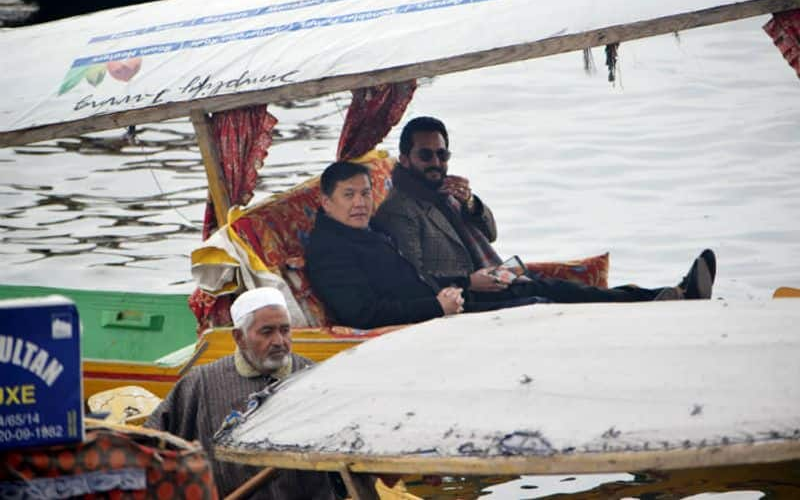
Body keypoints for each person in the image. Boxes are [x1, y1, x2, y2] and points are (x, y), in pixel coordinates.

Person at [372, 115, 716, 305]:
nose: (436, 163)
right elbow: (414, 277)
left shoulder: (446, 191)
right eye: (426, 155)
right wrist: (470, 282)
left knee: (574, 291)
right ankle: (670, 299)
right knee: (566, 294)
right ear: (405, 159)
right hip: (472, 295)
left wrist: (472, 203)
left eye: (442, 154)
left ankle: (671, 296)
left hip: (499, 276)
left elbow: (490, 232)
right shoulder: (401, 209)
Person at [144, 287, 336, 500]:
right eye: (267, 332)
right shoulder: (202, 382)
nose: (279, 341)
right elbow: (153, 442)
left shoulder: (316, 378)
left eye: (285, 330)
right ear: (239, 337)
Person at [306, 161, 468, 329]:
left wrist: (461, 286)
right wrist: (436, 307)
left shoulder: (369, 226)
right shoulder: (329, 250)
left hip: (434, 304)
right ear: (326, 203)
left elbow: (410, 274)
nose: (360, 203)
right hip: (412, 330)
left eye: (365, 194)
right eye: (349, 195)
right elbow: (363, 314)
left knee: (496, 295)